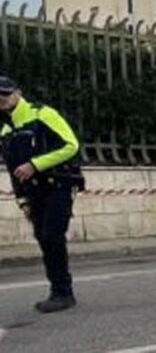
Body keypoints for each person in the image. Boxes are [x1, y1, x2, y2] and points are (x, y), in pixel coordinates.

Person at [0, 76, 85, 313]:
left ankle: (63, 293)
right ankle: (58, 290)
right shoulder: (6, 129)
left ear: (17, 93)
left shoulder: (42, 114)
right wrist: (22, 200)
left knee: (52, 235)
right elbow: (12, 168)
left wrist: (35, 164)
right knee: (42, 238)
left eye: (5, 94)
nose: (2, 100)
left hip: (58, 184)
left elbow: (71, 146)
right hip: (33, 192)